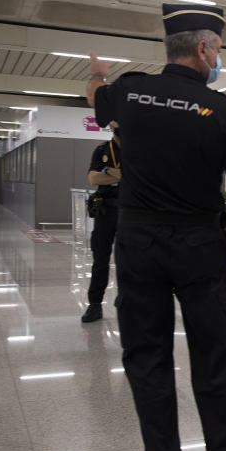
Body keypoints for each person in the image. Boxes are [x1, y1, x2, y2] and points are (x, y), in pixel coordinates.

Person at [85, 3, 226, 451]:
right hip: (199, 248)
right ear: (205, 48)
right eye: (220, 49)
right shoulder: (222, 109)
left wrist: (97, 73)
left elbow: (97, 99)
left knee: (148, 361)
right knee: (215, 358)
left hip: (140, 246)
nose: (219, 58)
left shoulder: (129, 90)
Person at [81, 124, 122, 322]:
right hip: (105, 212)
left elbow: (140, 179)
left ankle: (125, 300)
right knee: (100, 261)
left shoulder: (139, 150)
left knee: (129, 261)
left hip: (129, 212)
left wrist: (112, 173)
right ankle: (95, 305)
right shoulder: (102, 150)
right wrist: (119, 175)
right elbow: (93, 178)